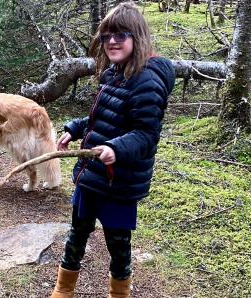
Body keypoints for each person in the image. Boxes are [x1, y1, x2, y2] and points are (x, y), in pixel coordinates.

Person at [50, 2, 175, 297]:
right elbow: (102, 117)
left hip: (118, 183)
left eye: (121, 34)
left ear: (138, 37)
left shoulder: (148, 81)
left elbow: (146, 135)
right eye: (107, 36)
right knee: (77, 233)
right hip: (91, 175)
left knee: (118, 245)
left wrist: (115, 148)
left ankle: (119, 294)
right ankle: (62, 290)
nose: (112, 42)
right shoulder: (114, 73)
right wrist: (75, 128)